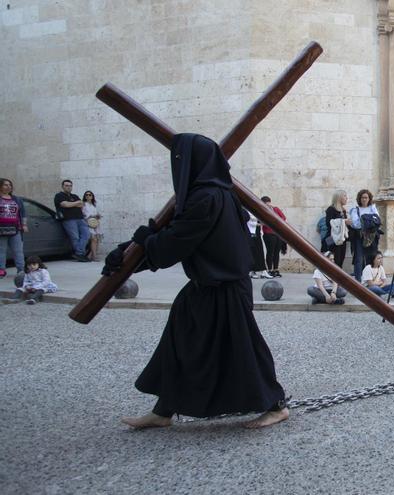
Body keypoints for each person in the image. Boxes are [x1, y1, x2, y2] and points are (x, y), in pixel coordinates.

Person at [104, 133, 288, 430]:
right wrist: (135, 249)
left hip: (225, 287)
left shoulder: (206, 197)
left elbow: (177, 241)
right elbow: (179, 235)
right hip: (208, 286)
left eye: (179, 159)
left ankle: (276, 406)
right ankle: (164, 410)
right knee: (180, 342)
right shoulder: (219, 193)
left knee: (243, 349)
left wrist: (140, 248)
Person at [54, 179, 90, 262]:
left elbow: (82, 204)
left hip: (80, 218)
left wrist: (73, 204)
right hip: (69, 219)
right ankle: (80, 254)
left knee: (87, 235)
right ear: (62, 186)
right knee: (75, 237)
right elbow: (65, 205)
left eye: (70, 186)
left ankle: (79, 253)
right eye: (66, 185)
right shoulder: (59, 196)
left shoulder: (75, 196)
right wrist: (75, 203)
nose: (68, 187)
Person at [349, 189, 380, 281]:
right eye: (362, 197)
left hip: (372, 236)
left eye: (366, 197)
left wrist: (365, 222)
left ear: (369, 198)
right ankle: (358, 280)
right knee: (359, 258)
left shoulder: (373, 208)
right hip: (359, 236)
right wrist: (369, 222)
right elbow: (355, 224)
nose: (364, 199)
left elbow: (377, 220)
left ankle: (371, 279)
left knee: (371, 257)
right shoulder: (355, 210)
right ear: (359, 198)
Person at [0, 178, 27, 276]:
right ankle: (1, 270)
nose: (8, 187)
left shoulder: (16, 199)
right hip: (1, 229)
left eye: (10, 185)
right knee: (1, 250)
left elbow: (23, 213)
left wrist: (24, 225)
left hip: (15, 229)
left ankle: (21, 270)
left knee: (18, 251)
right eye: (5, 185)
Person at [261, 196, 286, 278]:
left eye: (268, 202)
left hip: (277, 233)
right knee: (270, 252)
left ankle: (276, 269)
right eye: (266, 203)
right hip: (268, 233)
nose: (268, 204)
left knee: (276, 252)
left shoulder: (275, 209)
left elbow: (283, 217)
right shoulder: (262, 210)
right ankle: (269, 270)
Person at [325, 190, 351, 270]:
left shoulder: (343, 210)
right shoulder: (331, 209)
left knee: (340, 259)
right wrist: (344, 221)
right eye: (345, 196)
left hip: (341, 239)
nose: (347, 198)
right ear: (339, 198)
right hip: (332, 238)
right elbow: (329, 224)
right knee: (333, 259)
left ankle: (338, 279)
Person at [246, 210, 271, 279]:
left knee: (259, 252)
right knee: (253, 253)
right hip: (251, 234)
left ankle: (263, 271)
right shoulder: (246, 211)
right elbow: (248, 222)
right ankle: (252, 271)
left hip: (257, 233)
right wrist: (261, 224)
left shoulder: (254, 211)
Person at [81, 190, 102, 261]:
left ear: (92, 196)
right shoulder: (83, 204)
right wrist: (89, 217)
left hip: (95, 224)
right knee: (93, 239)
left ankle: (91, 255)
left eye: (90, 195)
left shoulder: (94, 205)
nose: (88, 196)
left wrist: (98, 216)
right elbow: (82, 214)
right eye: (86, 195)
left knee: (96, 240)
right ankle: (94, 256)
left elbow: (96, 214)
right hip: (87, 223)